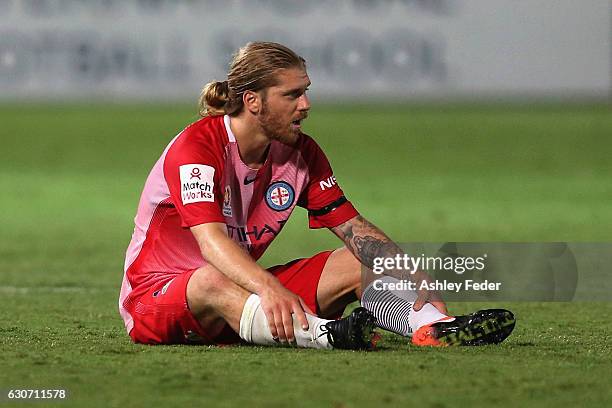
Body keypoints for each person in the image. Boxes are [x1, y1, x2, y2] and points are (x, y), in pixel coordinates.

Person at [118, 41, 515, 349]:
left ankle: (432, 328)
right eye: (292, 95)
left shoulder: (301, 153)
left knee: (355, 261)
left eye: (305, 92)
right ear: (253, 101)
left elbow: (353, 228)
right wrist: (270, 287)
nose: (306, 105)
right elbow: (211, 243)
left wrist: (415, 274)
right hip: (157, 299)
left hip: (247, 298)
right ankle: (328, 335)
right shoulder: (198, 148)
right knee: (208, 281)